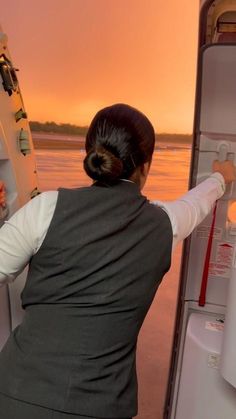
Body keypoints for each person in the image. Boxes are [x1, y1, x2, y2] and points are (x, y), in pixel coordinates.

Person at [0, 103, 235, 419]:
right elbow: (196, 203)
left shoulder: (46, 208)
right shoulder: (164, 224)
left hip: (15, 394)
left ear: (90, 152)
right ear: (146, 166)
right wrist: (221, 177)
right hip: (101, 407)